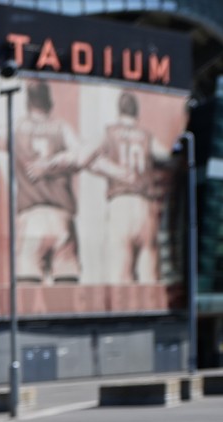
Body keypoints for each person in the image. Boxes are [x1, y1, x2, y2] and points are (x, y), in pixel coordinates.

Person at [88, 91, 172, 283]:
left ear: (119, 110)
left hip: (120, 202)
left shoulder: (109, 132)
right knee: (148, 272)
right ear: (137, 111)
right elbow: (168, 157)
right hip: (144, 205)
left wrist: (109, 169)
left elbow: (87, 157)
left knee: (120, 273)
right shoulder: (146, 136)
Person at [12, 81, 83, 288]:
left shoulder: (17, 127)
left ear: (27, 103)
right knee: (67, 286)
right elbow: (80, 155)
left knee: (27, 289)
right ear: (50, 102)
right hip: (61, 219)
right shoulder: (62, 128)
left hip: (31, 219)